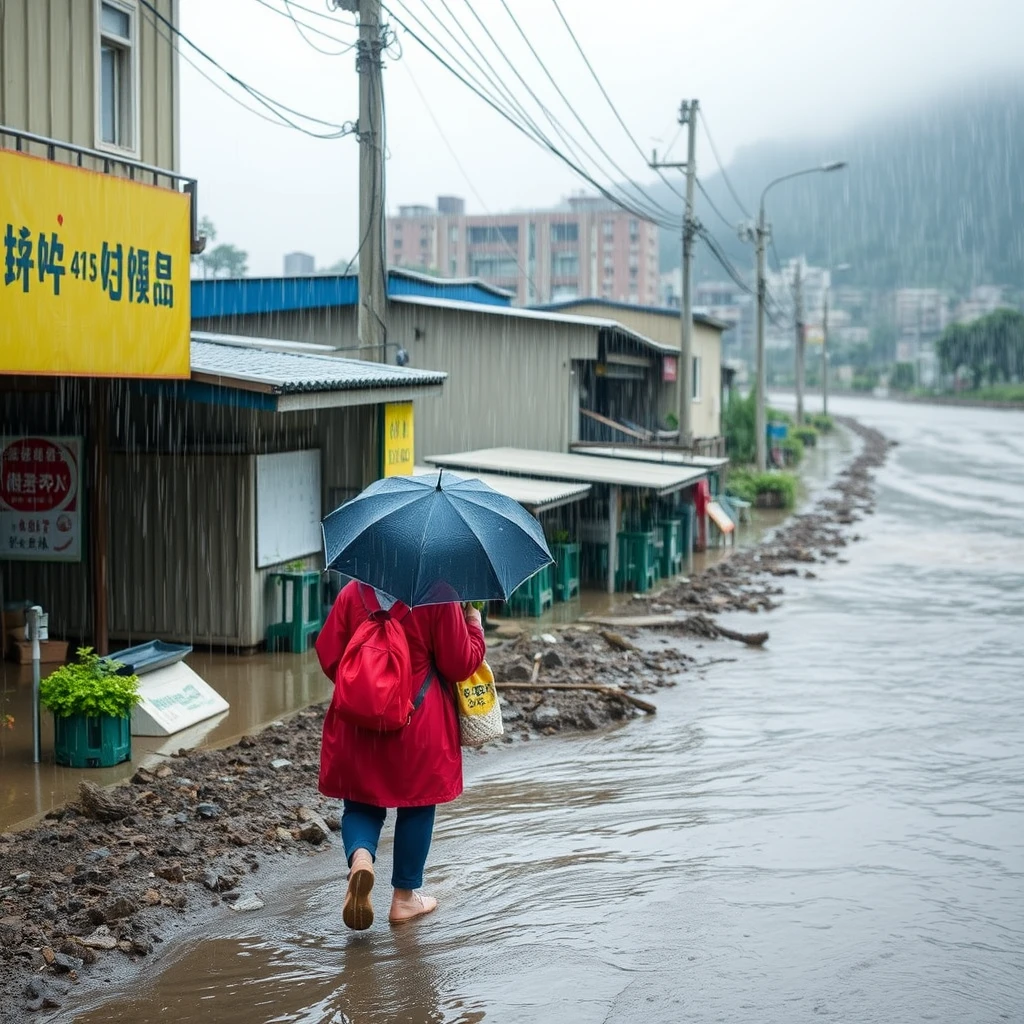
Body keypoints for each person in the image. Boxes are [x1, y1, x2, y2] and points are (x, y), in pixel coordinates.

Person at [315, 580, 486, 930]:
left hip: (359, 723)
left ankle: (361, 858)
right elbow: (459, 665)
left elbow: (329, 655)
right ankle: (404, 899)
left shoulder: (352, 593)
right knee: (417, 807)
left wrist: (369, 692)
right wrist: (473, 627)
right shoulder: (440, 595)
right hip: (418, 723)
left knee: (360, 805)